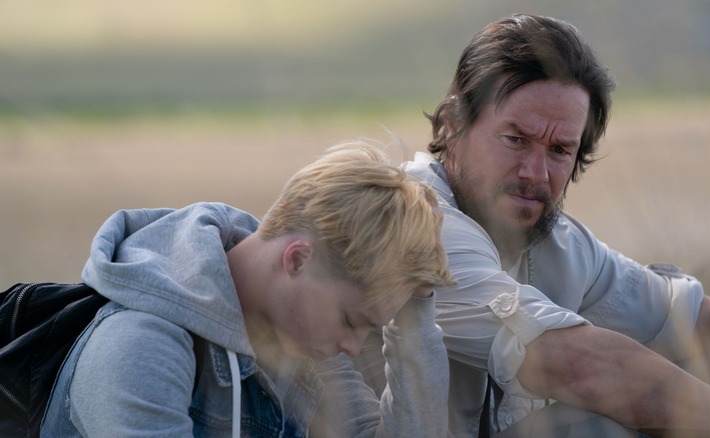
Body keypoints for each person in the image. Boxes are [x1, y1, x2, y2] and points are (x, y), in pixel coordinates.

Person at [354, 14, 710, 437]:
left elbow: (695, 318)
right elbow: (570, 364)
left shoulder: (553, 239)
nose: (536, 173)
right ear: (453, 124)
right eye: (516, 139)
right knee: (621, 421)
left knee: (701, 372)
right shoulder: (414, 219)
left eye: (559, 149)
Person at [40, 141, 454, 437]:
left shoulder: (299, 343)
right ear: (297, 259)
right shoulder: (142, 347)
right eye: (350, 320)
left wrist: (415, 309)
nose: (352, 346)